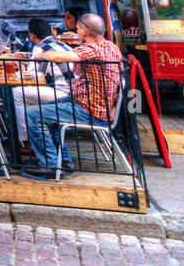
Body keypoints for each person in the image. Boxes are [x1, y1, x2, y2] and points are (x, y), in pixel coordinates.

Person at [22, 13, 124, 180]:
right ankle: (64, 161)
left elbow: (56, 56)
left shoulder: (93, 49)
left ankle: (50, 165)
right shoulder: (111, 47)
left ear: (84, 31)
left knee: (34, 114)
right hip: (89, 103)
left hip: (89, 110)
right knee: (47, 111)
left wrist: (41, 53)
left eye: (77, 29)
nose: (76, 31)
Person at [13, 17, 72, 149]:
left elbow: (36, 77)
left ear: (32, 35)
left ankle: (26, 141)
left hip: (61, 92)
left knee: (16, 93)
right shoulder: (63, 45)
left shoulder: (40, 48)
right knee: (24, 95)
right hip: (72, 89)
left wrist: (18, 68)